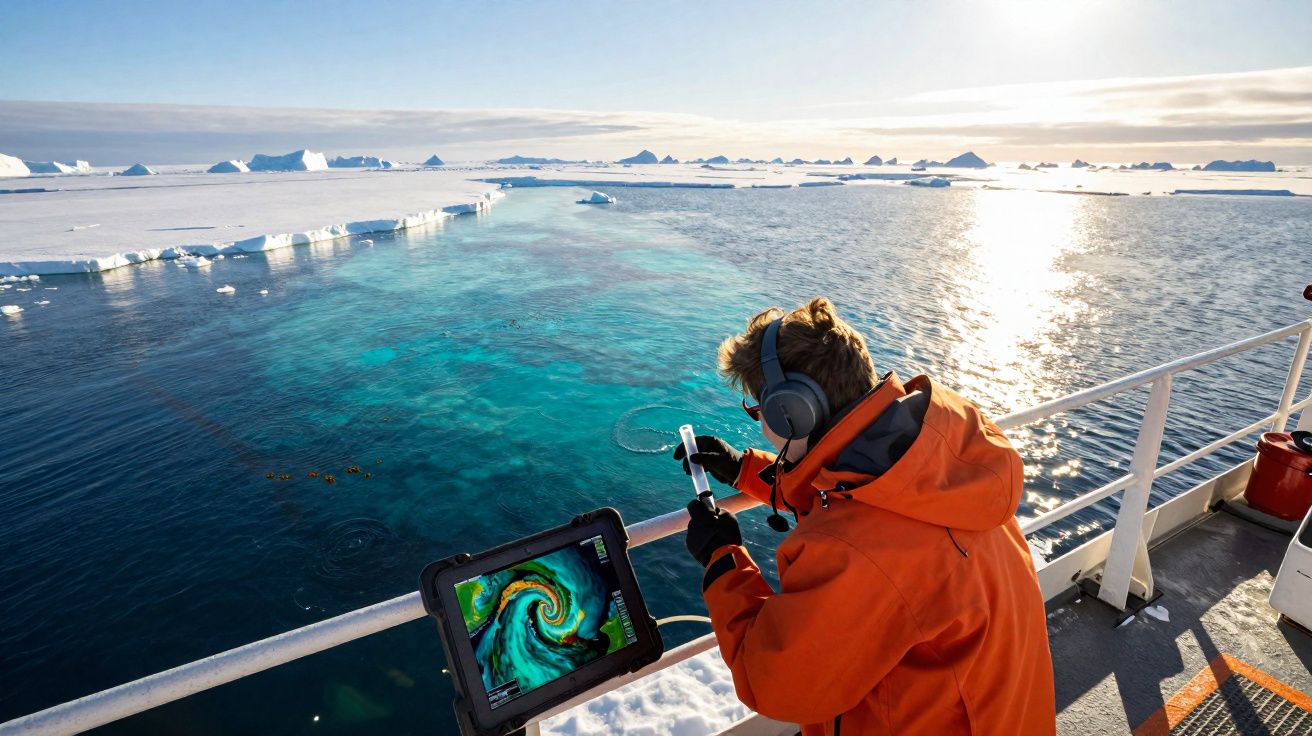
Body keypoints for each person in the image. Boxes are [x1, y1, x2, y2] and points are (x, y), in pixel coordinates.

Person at [673, 297, 1055, 735]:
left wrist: (723, 560)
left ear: (791, 411)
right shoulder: (938, 459)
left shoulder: (856, 552)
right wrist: (746, 469)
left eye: (760, 411)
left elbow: (777, 681)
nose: (761, 422)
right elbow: (850, 494)